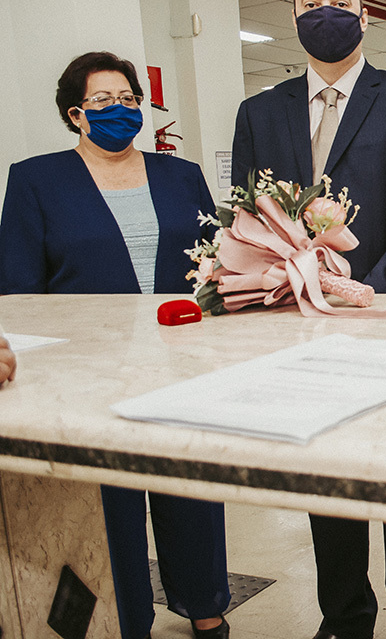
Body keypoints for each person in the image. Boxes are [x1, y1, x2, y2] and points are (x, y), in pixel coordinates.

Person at [231, 0, 386, 639]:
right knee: (327, 476)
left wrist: (371, 292)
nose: (326, 9)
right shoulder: (258, 114)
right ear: (294, 13)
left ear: (364, 12)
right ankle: (345, 615)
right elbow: (247, 222)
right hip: (301, 325)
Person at [0, 52, 230, 639]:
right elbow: (19, 287)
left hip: (184, 360)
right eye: (103, 101)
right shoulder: (36, 179)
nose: (120, 110)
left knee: (191, 485)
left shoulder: (182, 175)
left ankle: (206, 606)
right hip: (88, 371)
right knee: (111, 503)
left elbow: (217, 265)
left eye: (130, 99)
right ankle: (128, 618)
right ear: (76, 114)